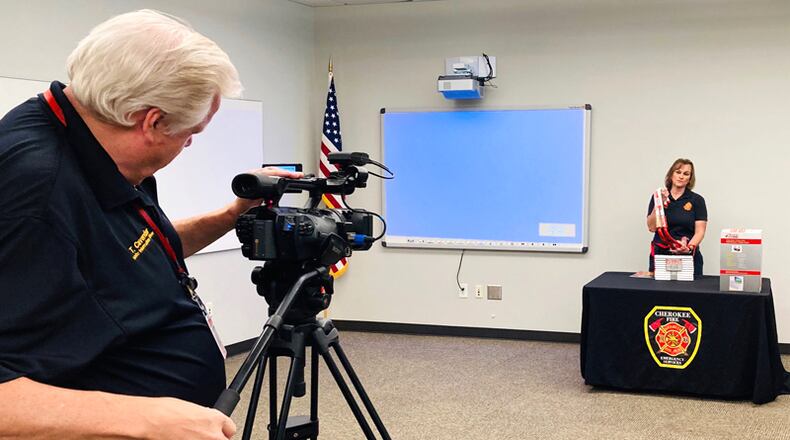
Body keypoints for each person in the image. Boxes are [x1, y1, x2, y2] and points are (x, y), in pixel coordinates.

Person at [0, 10, 300, 440]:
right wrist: (144, 419)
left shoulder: (88, 145)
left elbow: (124, 254)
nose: (189, 144)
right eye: (189, 133)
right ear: (152, 120)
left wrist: (231, 216)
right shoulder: (33, 193)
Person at [646, 158, 708, 277]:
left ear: (690, 178)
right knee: (659, 294)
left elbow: (700, 231)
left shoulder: (697, 200)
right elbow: (651, 227)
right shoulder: (658, 197)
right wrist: (660, 204)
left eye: (686, 174)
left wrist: (689, 248)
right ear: (671, 175)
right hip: (661, 255)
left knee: (689, 294)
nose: (681, 176)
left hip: (687, 255)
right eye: (678, 172)